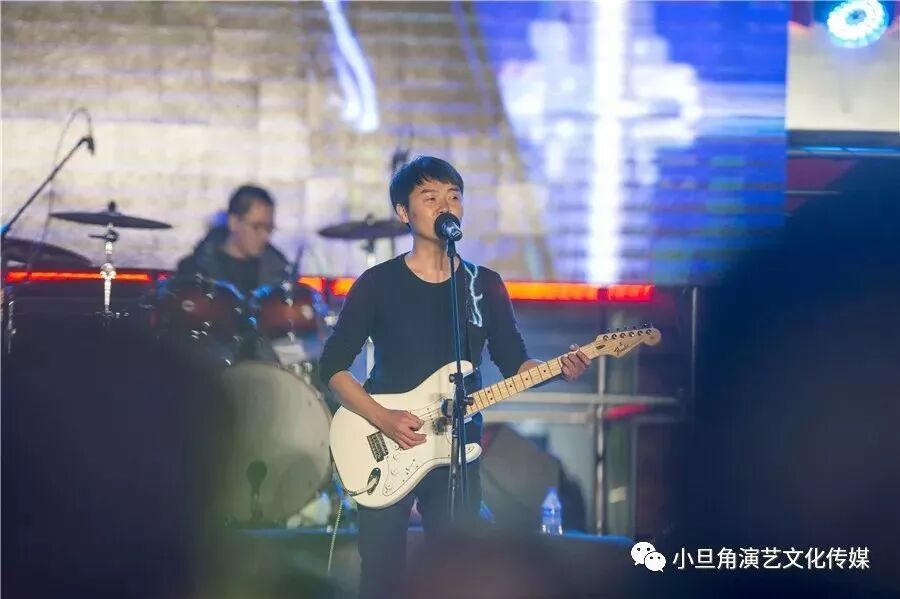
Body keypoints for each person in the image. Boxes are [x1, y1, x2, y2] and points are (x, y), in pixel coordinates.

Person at [317, 156, 591, 598]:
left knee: (459, 575)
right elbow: (331, 366)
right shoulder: (377, 283)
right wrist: (383, 417)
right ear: (403, 212)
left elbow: (514, 363)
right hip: (386, 443)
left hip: (458, 450)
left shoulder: (484, 284)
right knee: (382, 575)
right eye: (430, 197)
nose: (445, 205)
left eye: (453, 196)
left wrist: (560, 369)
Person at [176, 184, 289, 295]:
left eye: (269, 228)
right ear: (234, 223)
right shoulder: (194, 271)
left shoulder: (279, 272)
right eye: (256, 227)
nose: (265, 236)